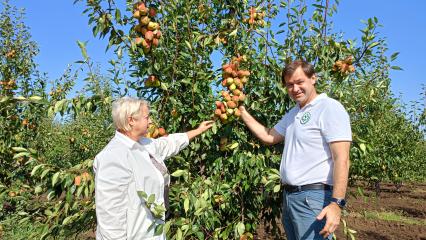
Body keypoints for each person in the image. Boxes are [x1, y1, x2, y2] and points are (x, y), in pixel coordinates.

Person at [238, 60, 352, 239]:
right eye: (290, 85)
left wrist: (337, 203)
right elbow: (269, 136)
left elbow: (342, 158)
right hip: (291, 197)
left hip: (312, 197)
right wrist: (242, 112)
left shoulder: (329, 108)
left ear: (313, 78)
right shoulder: (294, 113)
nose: (295, 88)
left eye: (300, 82)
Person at [94, 97, 213, 240]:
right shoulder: (113, 157)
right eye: (147, 117)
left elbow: (168, 144)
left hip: (154, 232)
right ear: (131, 120)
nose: (151, 121)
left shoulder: (145, 143)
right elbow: (109, 216)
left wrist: (198, 130)